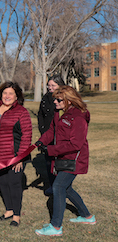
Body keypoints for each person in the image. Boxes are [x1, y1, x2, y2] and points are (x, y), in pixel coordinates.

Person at [35, 86, 95, 236]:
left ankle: (55, 227)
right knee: (66, 189)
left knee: (58, 187)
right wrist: (41, 142)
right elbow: (52, 131)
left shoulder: (79, 116)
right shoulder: (60, 113)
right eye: (54, 98)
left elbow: (76, 144)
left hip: (74, 159)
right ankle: (87, 217)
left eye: (58, 99)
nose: (54, 101)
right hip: (63, 158)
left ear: (68, 100)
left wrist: (50, 150)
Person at [0, 81, 32, 227]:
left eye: (11, 93)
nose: (7, 96)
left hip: (14, 156)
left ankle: (16, 216)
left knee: (14, 184)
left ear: (16, 96)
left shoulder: (21, 112)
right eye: (5, 93)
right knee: (2, 182)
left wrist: (20, 158)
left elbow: (27, 135)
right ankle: (9, 210)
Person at [37, 74, 66, 193]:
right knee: (48, 162)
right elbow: (40, 115)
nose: (50, 87)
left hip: (60, 136)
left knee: (60, 163)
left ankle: (60, 186)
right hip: (47, 134)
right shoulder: (46, 98)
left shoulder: (64, 99)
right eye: (49, 85)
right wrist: (43, 132)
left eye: (53, 85)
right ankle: (51, 185)